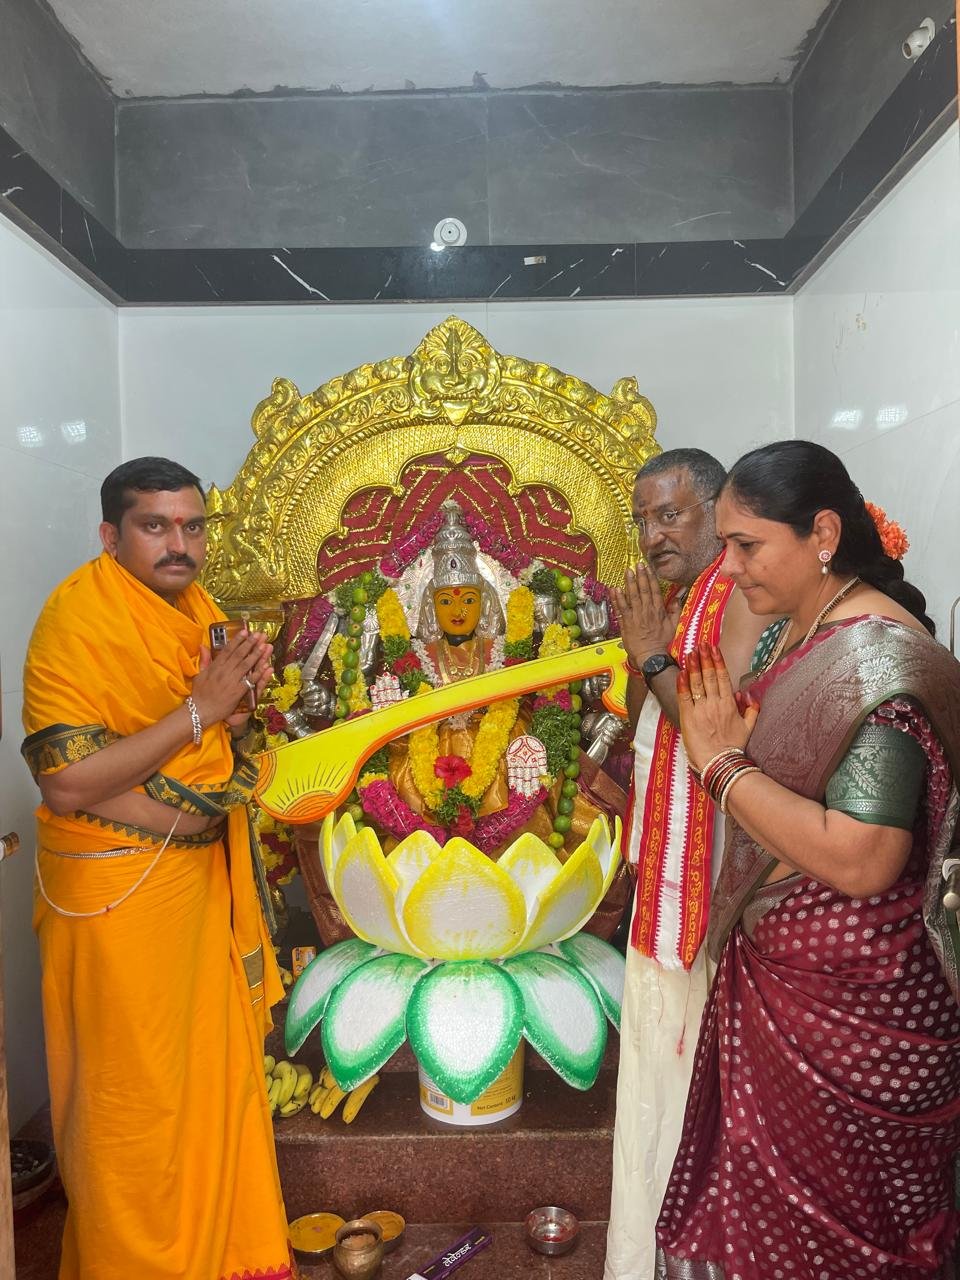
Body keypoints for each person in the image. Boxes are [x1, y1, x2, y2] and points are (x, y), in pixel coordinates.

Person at [656, 440, 960, 1279]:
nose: (731, 565)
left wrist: (721, 765)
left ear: (822, 533)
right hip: (795, 985)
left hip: (858, 1016)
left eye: (747, 545)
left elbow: (863, 859)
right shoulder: (815, 627)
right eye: (723, 544)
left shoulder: (876, 660)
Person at [22, 458, 295, 1280]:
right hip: (116, 900)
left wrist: (237, 712)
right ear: (111, 535)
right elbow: (67, 781)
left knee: (206, 1094)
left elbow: (207, 747)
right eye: (156, 526)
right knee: (132, 1110)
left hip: (187, 888)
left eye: (193, 526)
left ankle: (219, 1259)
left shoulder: (196, 611)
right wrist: (201, 712)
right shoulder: (78, 620)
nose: (180, 544)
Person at [605, 449, 773, 1280]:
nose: (652, 533)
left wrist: (649, 654)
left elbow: (711, 739)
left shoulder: (733, 598)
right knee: (653, 1074)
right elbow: (654, 729)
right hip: (666, 874)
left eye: (669, 514)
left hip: (701, 889)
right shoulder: (690, 597)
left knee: (676, 1075)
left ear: (716, 511)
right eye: (642, 518)